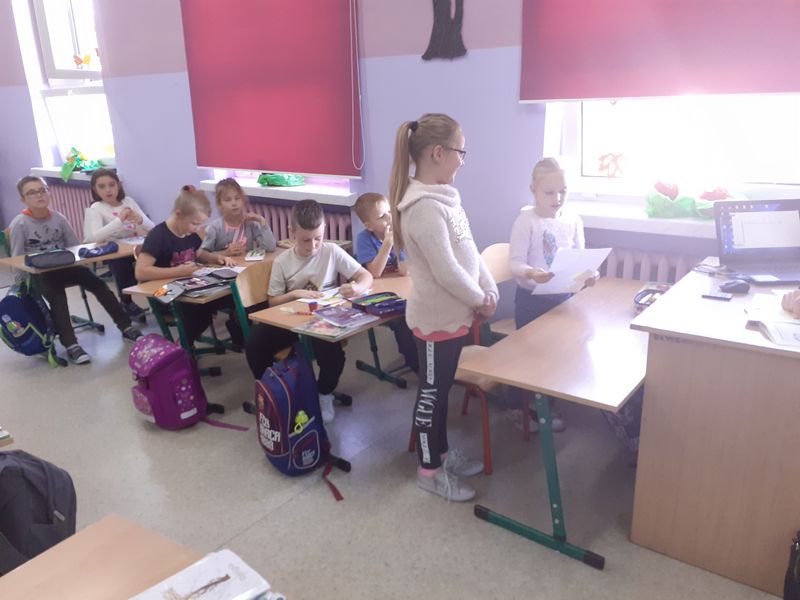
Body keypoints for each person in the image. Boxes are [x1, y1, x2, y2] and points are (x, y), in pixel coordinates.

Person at [389, 113, 498, 502]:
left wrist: (489, 289)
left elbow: (469, 251)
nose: (462, 161)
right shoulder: (422, 208)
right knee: (432, 395)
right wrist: (479, 300)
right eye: (460, 152)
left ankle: (443, 454)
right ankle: (428, 471)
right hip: (435, 321)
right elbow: (447, 270)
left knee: (442, 391)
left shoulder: (448, 199)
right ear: (438, 153)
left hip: (455, 317)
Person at [244, 199, 373, 423]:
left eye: (318, 238)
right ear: (291, 232)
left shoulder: (331, 251)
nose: (312, 246)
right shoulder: (283, 261)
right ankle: (272, 390)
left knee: (333, 356)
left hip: (323, 320)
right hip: (291, 321)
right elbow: (273, 302)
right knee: (255, 343)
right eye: (305, 240)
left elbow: (365, 276)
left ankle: (324, 394)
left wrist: (357, 288)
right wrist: (295, 294)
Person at [10, 176, 143, 365]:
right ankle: (71, 344)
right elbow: (17, 258)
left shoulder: (59, 218)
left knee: (99, 285)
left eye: (42, 190)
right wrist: (21, 288)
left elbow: (75, 248)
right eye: (32, 193)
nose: (39, 195)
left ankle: (126, 326)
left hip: (66, 266)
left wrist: (85, 264)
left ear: (48, 192)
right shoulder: (20, 223)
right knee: (57, 296)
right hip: (40, 273)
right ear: (23, 199)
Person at [507, 157, 597, 433]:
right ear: (533, 190)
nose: (557, 198)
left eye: (563, 191)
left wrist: (589, 275)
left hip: (562, 299)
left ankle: (547, 405)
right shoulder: (526, 222)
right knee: (530, 356)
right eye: (549, 192)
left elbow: (581, 259)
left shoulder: (573, 220)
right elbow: (515, 263)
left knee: (559, 354)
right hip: (532, 301)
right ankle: (522, 408)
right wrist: (531, 273)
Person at [135, 185, 238, 345]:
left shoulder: (189, 233)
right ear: (178, 214)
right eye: (194, 223)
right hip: (162, 293)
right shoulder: (158, 236)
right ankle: (181, 348)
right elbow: (140, 272)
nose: (197, 229)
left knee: (235, 296)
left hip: (187, 286)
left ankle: (239, 338)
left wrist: (217, 257)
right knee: (198, 312)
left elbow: (199, 254)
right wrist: (178, 272)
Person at [353, 192, 418, 372]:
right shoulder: (364, 239)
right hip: (378, 296)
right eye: (382, 216)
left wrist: (400, 242)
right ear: (369, 226)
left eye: (390, 211)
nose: (390, 217)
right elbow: (374, 273)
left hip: (399, 289)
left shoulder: (398, 234)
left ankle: (424, 356)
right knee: (403, 319)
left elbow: (405, 271)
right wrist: (388, 244)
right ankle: (414, 361)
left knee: (418, 309)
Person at [83, 168, 154, 318]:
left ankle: (161, 300)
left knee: (155, 262)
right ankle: (126, 302)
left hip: (134, 247)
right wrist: (119, 220)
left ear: (118, 185)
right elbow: (93, 237)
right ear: (95, 189)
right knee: (123, 266)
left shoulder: (128, 201)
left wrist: (141, 219)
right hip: (114, 251)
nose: (108, 190)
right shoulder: (96, 208)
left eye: (112, 185)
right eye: (102, 186)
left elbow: (152, 228)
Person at [200, 178, 276, 256]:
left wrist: (262, 221)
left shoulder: (250, 224)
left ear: (243, 200)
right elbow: (202, 255)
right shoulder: (214, 228)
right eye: (228, 200)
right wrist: (225, 253)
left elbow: (270, 248)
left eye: (237, 198)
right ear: (219, 204)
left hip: (246, 263)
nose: (234, 203)